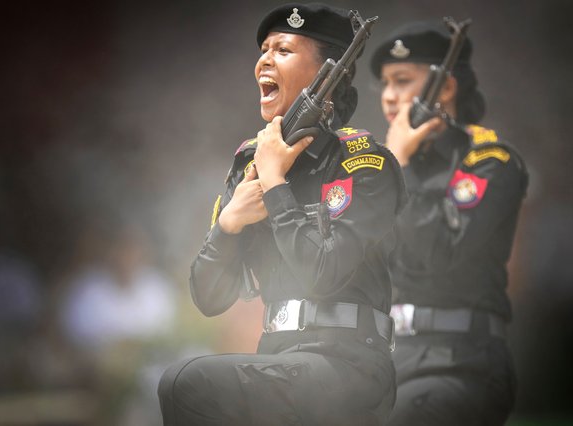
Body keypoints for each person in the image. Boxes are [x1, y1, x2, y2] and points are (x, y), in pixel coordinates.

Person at [157, 3, 405, 425]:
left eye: (284, 50)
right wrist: (228, 224)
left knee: (186, 383)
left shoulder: (364, 164)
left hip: (350, 367)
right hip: (278, 362)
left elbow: (322, 272)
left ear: (326, 73)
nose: (264, 60)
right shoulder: (248, 165)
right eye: (264, 49)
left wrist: (276, 186)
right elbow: (209, 297)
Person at [369, 19, 528, 425]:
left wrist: (397, 166)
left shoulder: (490, 162)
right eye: (384, 84)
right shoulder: (385, 164)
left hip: (460, 362)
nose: (389, 97)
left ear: (446, 87)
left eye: (402, 80)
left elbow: (437, 255)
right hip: (386, 362)